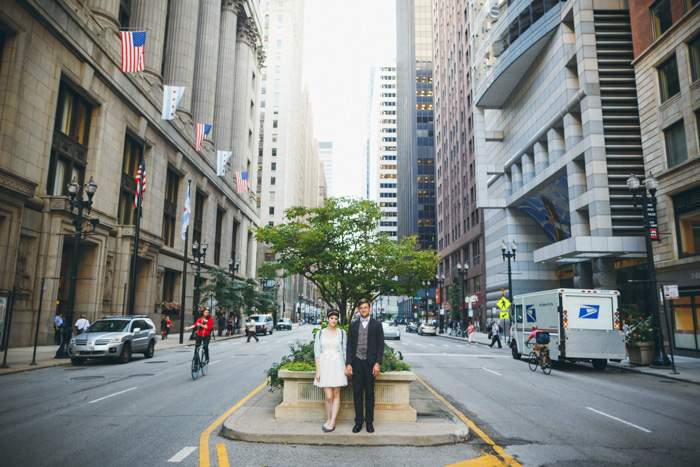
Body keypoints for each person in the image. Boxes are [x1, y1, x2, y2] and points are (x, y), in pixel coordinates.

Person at [345, 298, 384, 433]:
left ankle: (369, 422)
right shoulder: (353, 325)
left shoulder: (377, 325)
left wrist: (377, 363)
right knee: (357, 393)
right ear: (358, 310)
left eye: (365, 308)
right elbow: (349, 345)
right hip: (356, 362)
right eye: (361, 308)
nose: (363, 310)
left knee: (369, 394)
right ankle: (358, 422)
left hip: (370, 363)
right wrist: (349, 363)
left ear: (369, 309)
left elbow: (381, 345)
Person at [314, 309, 348, 432]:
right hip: (324, 365)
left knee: (336, 394)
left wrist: (347, 366)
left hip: (337, 365)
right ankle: (328, 419)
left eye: (336, 318)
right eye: (332, 318)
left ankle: (332, 421)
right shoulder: (320, 333)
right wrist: (318, 371)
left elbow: (344, 351)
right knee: (328, 396)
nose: (334, 320)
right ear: (327, 319)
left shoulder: (342, 333)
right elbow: (317, 353)